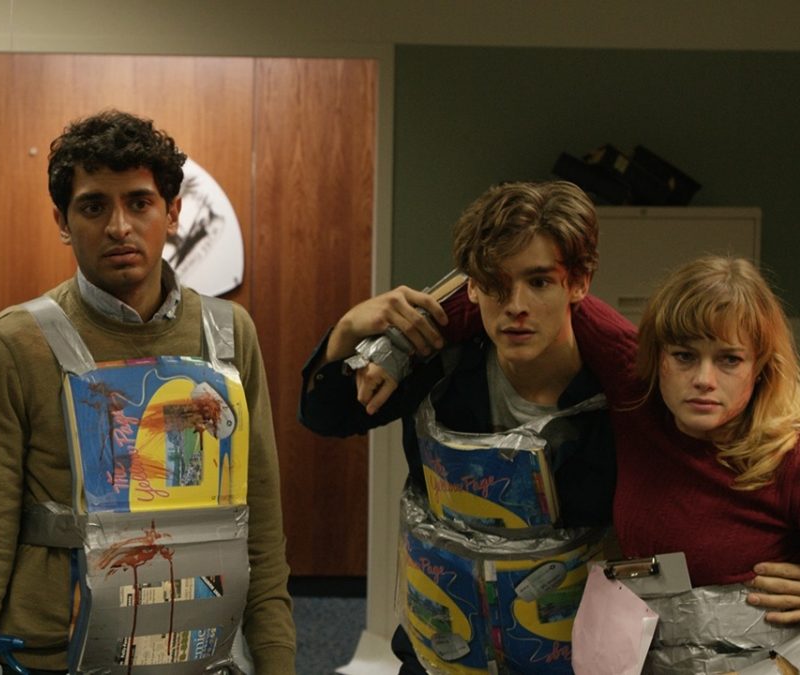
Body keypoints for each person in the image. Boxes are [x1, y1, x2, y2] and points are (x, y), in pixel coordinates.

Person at [0, 110, 295, 674]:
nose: (119, 226)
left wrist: (277, 661)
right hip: (53, 651)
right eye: (94, 206)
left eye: (140, 203)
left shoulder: (227, 335)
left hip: (196, 644)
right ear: (63, 220)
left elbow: (261, 526)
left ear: (172, 212)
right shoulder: (13, 345)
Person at [299, 181, 616, 674]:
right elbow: (327, 416)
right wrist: (347, 329)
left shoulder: (617, 397)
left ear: (578, 283)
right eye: (496, 284)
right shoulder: (440, 367)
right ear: (471, 287)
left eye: (538, 282)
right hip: (439, 648)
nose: (515, 305)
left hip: (568, 655)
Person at [565, 256, 800, 666]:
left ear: (759, 367)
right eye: (684, 356)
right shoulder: (637, 399)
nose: (704, 379)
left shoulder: (787, 455)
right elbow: (552, 291)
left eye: (729, 359)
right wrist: (434, 327)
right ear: (658, 357)